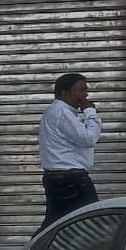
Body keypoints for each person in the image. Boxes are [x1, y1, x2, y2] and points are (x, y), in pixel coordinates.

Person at [38, 72, 103, 231]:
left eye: (86, 90)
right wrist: (90, 112)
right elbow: (88, 138)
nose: (85, 95)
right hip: (70, 181)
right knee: (93, 224)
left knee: (53, 226)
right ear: (64, 93)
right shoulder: (62, 113)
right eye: (81, 90)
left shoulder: (57, 112)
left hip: (61, 179)